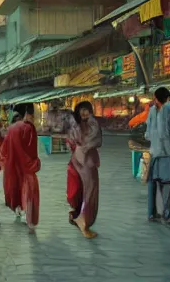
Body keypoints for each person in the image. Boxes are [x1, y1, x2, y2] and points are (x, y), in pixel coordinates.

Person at [0, 103, 40, 233]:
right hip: (27, 167)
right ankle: (31, 224)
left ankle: (18, 211)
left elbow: (4, 151)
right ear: (28, 113)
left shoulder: (11, 129)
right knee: (30, 193)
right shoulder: (29, 128)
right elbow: (31, 149)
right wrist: (35, 163)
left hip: (13, 166)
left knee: (16, 189)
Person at [67, 101, 102, 239]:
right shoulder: (79, 125)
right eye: (82, 110)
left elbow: (97, 140)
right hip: (82, 160)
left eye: (86, 110)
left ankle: (82, 220)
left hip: (87, 160)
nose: (84, 113)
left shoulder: (91, 124)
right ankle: (83, 222)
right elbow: (74, 141)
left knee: (90, 191)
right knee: (88, 191)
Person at [145, 87, 170, 225]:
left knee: (154, 183)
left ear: (157, 98)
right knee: (169, 185)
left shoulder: (154, 110)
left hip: (155, 151)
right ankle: (168, 215)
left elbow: (147, 133)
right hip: (167, 152)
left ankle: (153, 214)